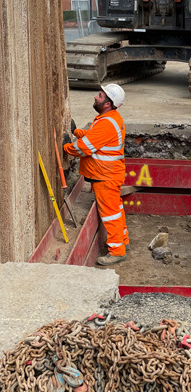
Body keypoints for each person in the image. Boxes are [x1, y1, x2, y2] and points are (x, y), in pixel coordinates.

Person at [63, 84, 128, 266]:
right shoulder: (110, 118)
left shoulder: (107, 123)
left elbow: (84, 147)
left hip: (105, 177)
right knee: (116, 211)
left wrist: (66, 147)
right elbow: (95, 136)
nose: (95, 97)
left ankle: (117, 251)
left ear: (108, 103)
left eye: (99, 95)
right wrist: (77, 132)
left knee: (110, 214)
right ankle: (123, 242)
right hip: (109, 174)